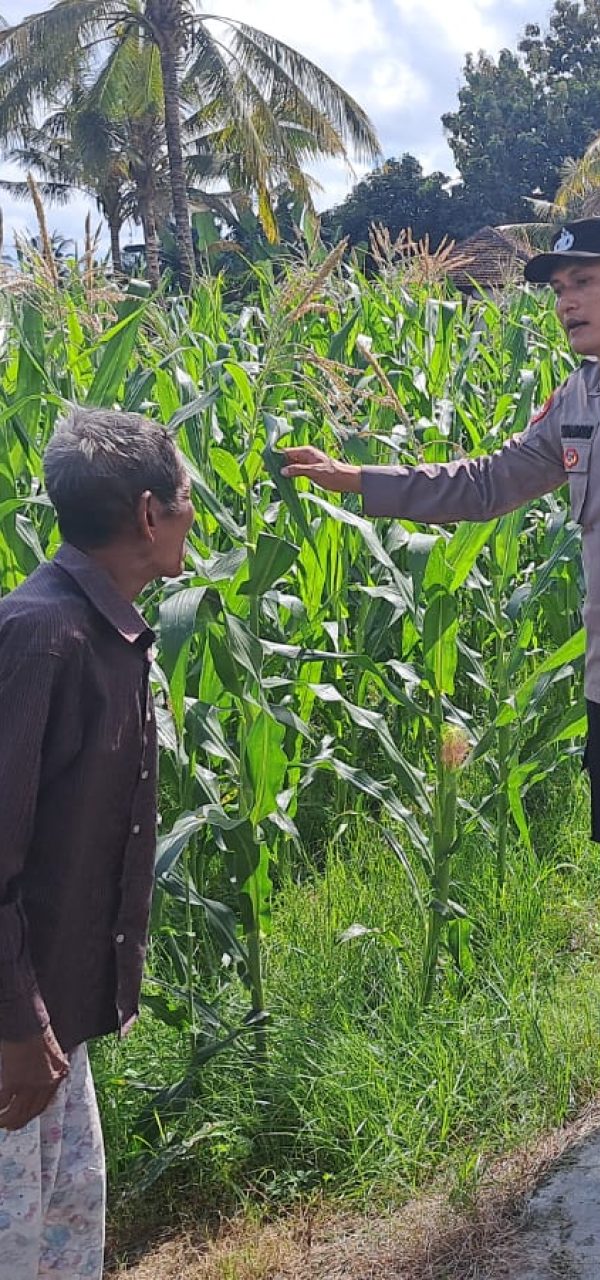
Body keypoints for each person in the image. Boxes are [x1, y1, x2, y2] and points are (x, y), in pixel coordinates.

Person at [281, 216, 600, 1194]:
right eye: (555, 284)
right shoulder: (579, 402)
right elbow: (485, 482)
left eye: (583, 279)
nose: (564, 298)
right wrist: (358, 482)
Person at [0, 409, 194, 1277]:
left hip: (49, 1021)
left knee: (61, 1241)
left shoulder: (104, 629)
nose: (196, 517)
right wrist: (12, 1025)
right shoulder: (43, 636)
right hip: (14, 1027)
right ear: (149, 514)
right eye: (188, 500)